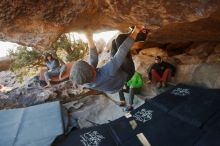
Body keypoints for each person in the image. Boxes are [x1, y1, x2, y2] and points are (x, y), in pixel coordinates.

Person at [70, 26, 143, 109]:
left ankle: (135, 35)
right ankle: (140, 34)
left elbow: (93, 59)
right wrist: (136, 31)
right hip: (126, 73)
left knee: (113, 43)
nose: (89, 64)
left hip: (113, 83)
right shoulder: (106, 72)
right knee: (120, 39)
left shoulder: (85, 80)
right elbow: (122, 51)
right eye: (88, 65)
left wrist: (89, 37)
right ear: (91, 70)